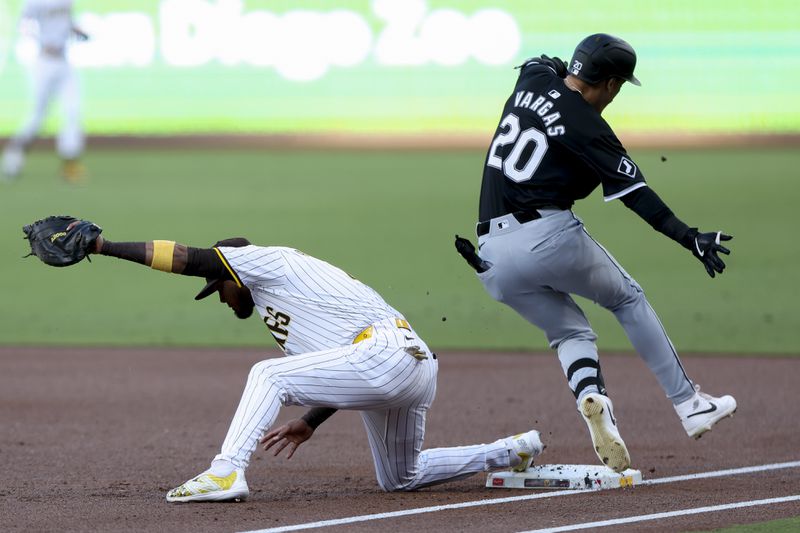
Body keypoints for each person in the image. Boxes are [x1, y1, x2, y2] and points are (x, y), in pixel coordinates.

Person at [79, 229, 542, 502]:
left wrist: (102, 245)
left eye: (217, 287)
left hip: (387, 353)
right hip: (409, 366)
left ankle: (226, 470)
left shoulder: (263, 261)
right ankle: (511, 451)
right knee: (401, 478)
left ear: (233, 273)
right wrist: (309, 420)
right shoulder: (278, 305)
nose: (219, 297)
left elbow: (185, 256)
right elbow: (337, 370)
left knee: (266, 374)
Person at [458, 33, 736, 473]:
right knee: (627, 298)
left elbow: (540, 62)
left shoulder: (534, 77)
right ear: (609, 84)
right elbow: (638, 196)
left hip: (489, 254)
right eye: (619, 85)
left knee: (570, 333)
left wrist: (559, 70)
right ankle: (689, 404)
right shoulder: (591, 129)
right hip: (547, 236)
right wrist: (689, 237)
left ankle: (592, 395)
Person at [2, 0, 87, 183]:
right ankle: (14, 155)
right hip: (43, 61)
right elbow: (23, 25)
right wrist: (41, 40)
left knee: (72, 111)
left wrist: (77, 31)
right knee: (37, 116)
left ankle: (70, 165)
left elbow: (67, 21)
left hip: (64, 60)